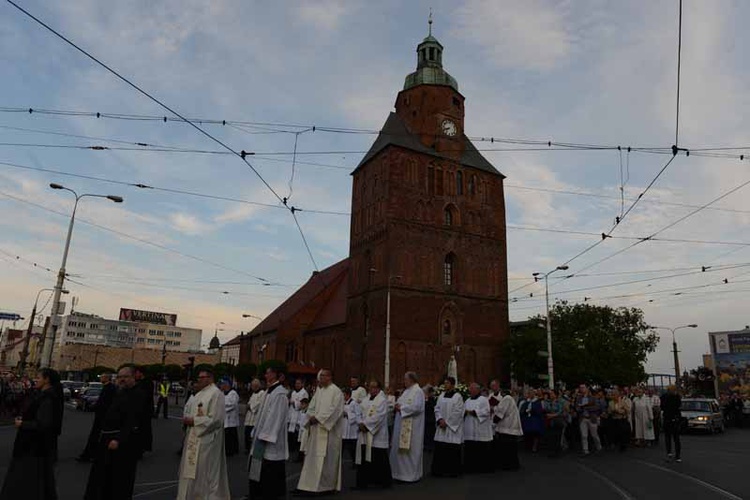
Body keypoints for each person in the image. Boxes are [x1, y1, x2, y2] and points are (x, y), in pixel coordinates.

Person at [0, 368, 62, 500]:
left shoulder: (48, 398)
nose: (36, 380)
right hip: (34, 446)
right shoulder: (43, 394)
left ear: (47, 380)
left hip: (33, 447)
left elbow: (43, 424)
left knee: (27, 479)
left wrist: (22, 424)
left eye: (39, 377)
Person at [83, 366, 144, 500]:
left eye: (125, 377)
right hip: (106, 438)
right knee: (102, 475)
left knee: (119, 478)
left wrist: (118, 439)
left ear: (133, 377)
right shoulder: (120, 392)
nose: (122, 380)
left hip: (122, 443)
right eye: (120, 377)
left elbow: (133, 420)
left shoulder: (137, 394)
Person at [176, 369, 230, 500]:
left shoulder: (216, 394)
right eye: (198, 377)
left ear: (210, 378)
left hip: (207, 441)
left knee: (204, 472)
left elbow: (216, 420)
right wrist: (188, 419)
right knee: (190, 471)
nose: (198, 380)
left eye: (201, 377)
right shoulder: (200, 394)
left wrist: (194, 421)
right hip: (193, 438)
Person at [296, 369, 345, 495]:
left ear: (329, 377)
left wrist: (318, 418)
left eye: (322, 376)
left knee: (327, 460)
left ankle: (325, 486)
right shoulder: (320, 391)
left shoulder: (336, 392)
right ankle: (308, 485)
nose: (320, 379)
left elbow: (336, 411)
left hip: (329, 432)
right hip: (316, 430)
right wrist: (310, 416)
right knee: (312, 459)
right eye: (319, 376)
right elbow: (312, 406)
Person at [249, 365, 289, 500]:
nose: (265, 376)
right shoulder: (269, 391)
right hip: (261, 437)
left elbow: (275, 417)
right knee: (257, 465)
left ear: (275, 374)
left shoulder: (279, 394)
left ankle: (268, 493)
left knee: (269, 468)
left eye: (267, 373)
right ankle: (256, 493)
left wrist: (265, 436)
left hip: (268, 439)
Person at [355, 380, 391, 489]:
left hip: (377, 434)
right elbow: (358, 412)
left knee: (379, 458)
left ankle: (383, 482)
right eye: (370, 387)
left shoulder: (382, 400)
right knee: (365, 458)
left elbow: (379, 416)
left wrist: (366, 425)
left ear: (379, 388)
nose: (372, 389)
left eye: (375, 387)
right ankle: (365, 482)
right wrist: (360, 422)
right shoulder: (365, 399)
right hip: (365, 433)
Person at [390, 372, 425, 483]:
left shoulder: (418, 391)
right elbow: (400, 402)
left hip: (412, 427)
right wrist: (396, 405)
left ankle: (410, 475)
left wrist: (402, 408)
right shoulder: (406, 391)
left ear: (412, 380)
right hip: (401, 424)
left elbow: (417, 407)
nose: (404, 381)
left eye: (405, 379)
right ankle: (399, 473)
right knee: (399, 450)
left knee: (410, 450)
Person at [77, 373, 117, 462]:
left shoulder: (109, 388)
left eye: (102, 377)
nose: (100, 378)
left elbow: (104, 402)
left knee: (96, 436)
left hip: (102, 416)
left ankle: (90, 455)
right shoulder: (109, 388)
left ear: (106, 378)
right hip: (102, 416)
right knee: (97, 436)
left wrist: (94, 407)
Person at [432, 377, 464, 477]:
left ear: (453, 385)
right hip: (441, 427)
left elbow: (459, 412)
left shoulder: (458, 397)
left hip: (451, 428)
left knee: (452, 449)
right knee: (440, 448)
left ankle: (452, 471)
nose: (445, 385)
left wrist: (447, 423)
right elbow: (436, 408)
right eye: (444, 383)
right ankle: (439, 470)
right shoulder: (441, 395)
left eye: (447, 383)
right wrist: (440, 419)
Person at [463, 382, 493, 473]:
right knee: (470, 449)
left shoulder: (483, 399)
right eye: (470, 388)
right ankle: (470, 467)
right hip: (469, 429)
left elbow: (486, 411)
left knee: (481, 449)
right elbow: (463, 411)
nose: (470, 390)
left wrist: (474, 412)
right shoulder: (467, 400)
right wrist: (464, 412)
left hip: (480, 429)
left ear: (477, 390)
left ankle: (482, 468)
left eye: (472, 388)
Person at [493, 387, 523, 470]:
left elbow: (501, 412)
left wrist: (494, 419)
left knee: (507, 448)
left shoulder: (507, 399)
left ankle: (508, 465)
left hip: (507, 428)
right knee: (511, 448)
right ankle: (512, 464)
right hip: (510, 428)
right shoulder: (510, 399)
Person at [132, 366, 153, 459]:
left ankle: (140, 449)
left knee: (142, 430)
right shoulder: (142, 383)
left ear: (141, 373)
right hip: (142, 410)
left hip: (144, 411)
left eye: (136, 373)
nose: (135, 375)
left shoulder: (146, 383)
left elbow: (144, 398)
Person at [574, 384, 602, 455]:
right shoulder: (578, 398)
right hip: (583, 418)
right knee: (584, 435)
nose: (581, 389)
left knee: (594, 435)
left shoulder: (593, 397)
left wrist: (586, 407)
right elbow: (577, 408)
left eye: (583, 387)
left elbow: (597, 407)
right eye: (580, 387)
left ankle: (599, 447)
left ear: (587, 389)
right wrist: (580, 408)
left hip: (591, 418)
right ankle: (585, 450)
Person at [288, 379, 308, 461]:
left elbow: (303, 403)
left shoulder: (304, 393)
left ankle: (297, 450)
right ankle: (291, 448)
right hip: (292, 414)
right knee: (291, 433)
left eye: (299, 383)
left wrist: (294, 403)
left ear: (302, 384)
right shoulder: (293, 392)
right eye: (296, 383)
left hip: (299, 415)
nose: (297, 385)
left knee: (297, 434)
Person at [661, 385, 682, 463]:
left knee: (668, 438)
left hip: (668, 418)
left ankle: (669, 453)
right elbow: (679, 407)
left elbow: (662, 407)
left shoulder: (664, 397)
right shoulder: (677, 397)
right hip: (674, 419)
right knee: (675, 438)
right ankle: (677, 455)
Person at [244, 379, 266, 454]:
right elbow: (249, 403)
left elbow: (259, 404)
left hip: (255, 417)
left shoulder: (262, 393)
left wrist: (250, 406)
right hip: (249, 417)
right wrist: (249, 406)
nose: (251, 387)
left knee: (253, 435)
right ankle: (248, 448)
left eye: (253, 386)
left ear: (256, 386)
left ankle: (253, 449)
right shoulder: (253, 393)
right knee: (247, 433)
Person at [221, 378, 240, 457]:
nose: (221, 385)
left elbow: (232, 404)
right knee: (226, 436)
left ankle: (232, 450)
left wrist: (222, 407)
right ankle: (227, 449)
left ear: (227, 385)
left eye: (223, 384)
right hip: (225, 418)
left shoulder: (233, 393)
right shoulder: (222, 393)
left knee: (231, 435)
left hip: (231, 418)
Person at [342, 388, 362, 463]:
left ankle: (354, 462)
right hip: (344, 428)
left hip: (351, 429)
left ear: (348, 395)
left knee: (352, 448)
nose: (342, 396)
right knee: (342, 446)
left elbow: (358, 414)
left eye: (344, 394)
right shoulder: (343, 403)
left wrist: (347, 414)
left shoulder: (354, 403)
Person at [423, 385, 436, 452]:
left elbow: (432, 407)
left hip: (431, 419)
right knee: (426, 433)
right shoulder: (427, 400)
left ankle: (430, 446)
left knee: (430, 433)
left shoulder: (433, 400)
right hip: (427, 419)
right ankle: (426, 446)